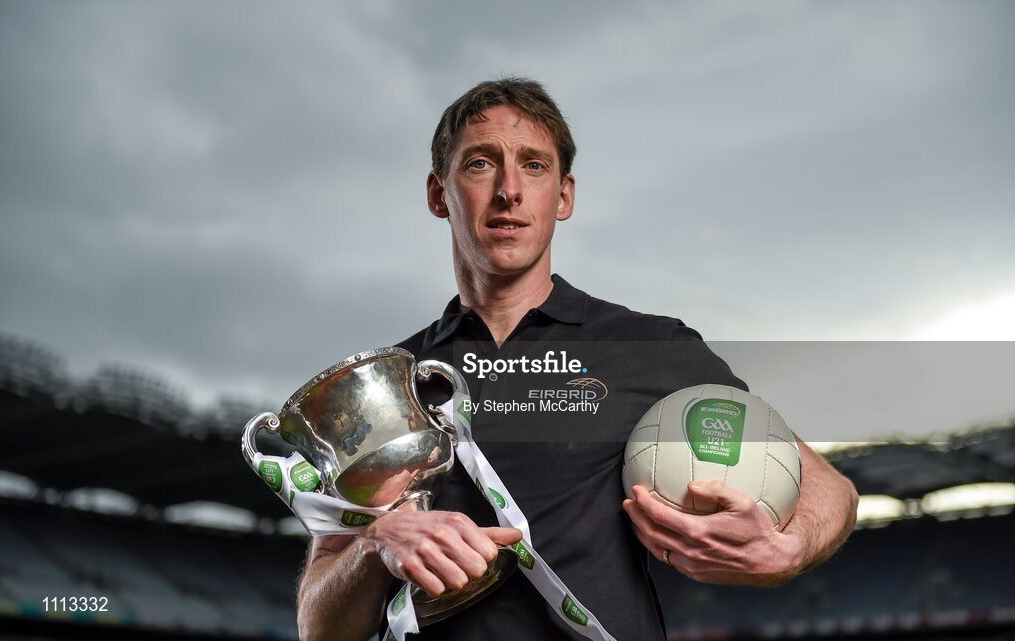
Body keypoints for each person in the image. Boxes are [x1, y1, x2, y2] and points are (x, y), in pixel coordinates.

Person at [296, 78, 858, 641]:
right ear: (438, 193)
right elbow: (319, 626)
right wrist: (376, 544)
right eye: (480, 164)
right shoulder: (383, 386)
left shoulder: (648, 348)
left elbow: (827, 487)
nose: (509, 191)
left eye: (534, 166)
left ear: (563, 197)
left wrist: (787, 548)